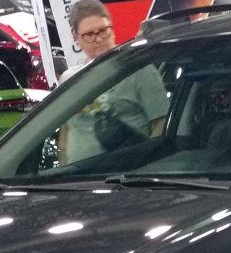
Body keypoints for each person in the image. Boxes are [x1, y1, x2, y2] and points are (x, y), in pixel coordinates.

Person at [57, 0, 169, 164]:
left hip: (124, 178)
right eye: (89, 34)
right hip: (76, 180)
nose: (98, 39)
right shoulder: (69, 79)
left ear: (112, 28)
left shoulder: (139, 70)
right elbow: (65, 133)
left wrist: (147, 166)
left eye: (103, 31)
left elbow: (160, 125)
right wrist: (62, 171)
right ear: (76, 37)